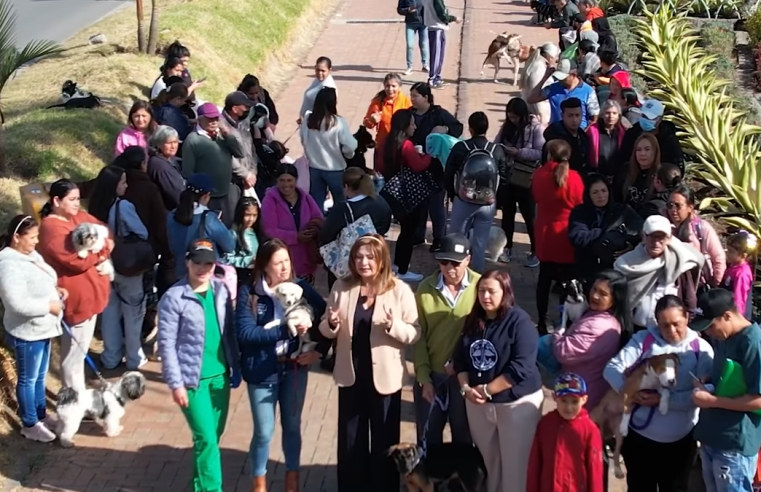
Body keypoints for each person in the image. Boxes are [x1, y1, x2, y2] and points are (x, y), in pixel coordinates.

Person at [319, 234, 421, 492]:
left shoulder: (398, 290)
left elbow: (414, 332)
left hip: (385, 380)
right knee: (351, 441)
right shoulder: (342, 287)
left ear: (381, 260)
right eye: (358, 257)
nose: (364, 262)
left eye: (370, 257)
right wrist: (331, 324)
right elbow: (325, 326)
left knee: (384, 443)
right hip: (351, 375)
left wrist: (393, 326)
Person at [236, 239, 327, 492]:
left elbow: (326, 317)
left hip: (294, 368)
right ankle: (259, 483)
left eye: (287, 261)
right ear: (265, 266)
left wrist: (319, 351)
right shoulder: (251, 293)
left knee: (292, 426)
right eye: (278, 263)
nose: (284, 267)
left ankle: (292, 482)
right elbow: (245, 333)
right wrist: (284, 333)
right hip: (262, 371)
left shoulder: (300, 287)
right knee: (264, 432)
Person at [605, 294, 714, 492]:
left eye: (676, 324)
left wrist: (663, 400)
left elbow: (701, 396)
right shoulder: (643, 341)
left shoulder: (701, 350)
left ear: (687, 319)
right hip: (639, 440)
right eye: (664, 325)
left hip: (680, 443)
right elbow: (612, 369)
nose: (671, 331)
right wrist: (628, 390)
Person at [157, 239, 241, 492]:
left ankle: (199, 485)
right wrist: (175, 383)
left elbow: (229, 332)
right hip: (192, 381)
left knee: (211, 438)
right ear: (187, 262)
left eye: (208, 262)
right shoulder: (173, 298)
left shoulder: (221, 290)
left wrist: (235, 365)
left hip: (220, 376)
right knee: (206, 439)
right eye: (197, 262)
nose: (203, 268)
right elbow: (167, 344)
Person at [453, 269, 543, 492]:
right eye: (481, 291)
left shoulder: (520, 323)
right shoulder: (472, 321)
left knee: (516, 466)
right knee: (488, 464)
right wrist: (466, 389)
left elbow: (520, 368)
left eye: (492, 291)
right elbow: (460, 361)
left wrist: (485, 390)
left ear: (505, 292)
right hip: (479, 405)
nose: (485, 297)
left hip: (516, 405)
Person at [37, 180, 112, 392]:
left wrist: (100, 250)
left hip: (91, 298)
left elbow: (106, 231)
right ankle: (72, 402)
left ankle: (77, 399)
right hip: (76, 303)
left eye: (78, 199)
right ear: (56, 201)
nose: (77, 204)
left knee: (79, 354)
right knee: (73, 358)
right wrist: (102, 251)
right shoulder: (52, 229)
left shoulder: (77, 217)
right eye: (72, 199)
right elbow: (78, 262)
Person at [690, 288, 761, 492]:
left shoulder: (753, 343)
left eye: (711, 326)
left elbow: (759, 400)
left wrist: (712, 402)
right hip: (712, 436)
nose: (708, 333)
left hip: (734, 444)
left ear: (727, 315)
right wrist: (709, 380)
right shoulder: (723, 337)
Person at [0, 215, 64, 442]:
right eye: (32, 237)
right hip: (27, 331)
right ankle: (29, 423)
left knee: (39, 377)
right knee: (28, 379)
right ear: (17, 237)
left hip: (43, 328)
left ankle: (40, 415)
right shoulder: (7, 265)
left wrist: (55, 291)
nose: (36, 242)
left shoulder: (30, 255)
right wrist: (49, 305)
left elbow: (43, 279)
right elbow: (16, 303)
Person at [414, 233, 478, 445]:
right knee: (427, 438)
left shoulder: (481, 287)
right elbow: (419, 336)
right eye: (444, 262)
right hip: (433, 376)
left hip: (467, 379)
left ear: (468, 260)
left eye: (456, 263)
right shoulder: (425, 289)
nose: (449, 268)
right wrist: (424, 378)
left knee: (465, 440)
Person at [538, 270, 631, 410]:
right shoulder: (601, 316)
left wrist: (558, 335)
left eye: (603, 294)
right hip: (581, 390)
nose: (594, 295)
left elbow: (563, 352)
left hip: (582, 398)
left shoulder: (598, 326)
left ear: (615, 299)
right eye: (594, 289)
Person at [87, 165, 150, 370]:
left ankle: (110, 356)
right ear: (114, 185)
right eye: (122, 181)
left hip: (104, 266)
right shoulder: (123, 206)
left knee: (110, 313)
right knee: (133, 313)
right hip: (127, 266)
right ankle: (134, 357)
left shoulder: (94, 207)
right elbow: (142, 232)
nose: (126, 185)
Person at [614, 214, 705, 331]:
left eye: (661, 237)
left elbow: (690, 300)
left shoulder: (680, 262)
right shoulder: (627, 264)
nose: (656, 242)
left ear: (669, 238)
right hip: (638, 330)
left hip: (671, 331)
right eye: (652, 236)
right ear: (644, 236)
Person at [444, 111, 508, 272]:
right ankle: (476, 275)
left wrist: (453, 195)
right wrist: (497, 202)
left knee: (457, 239)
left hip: (464, 200)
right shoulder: (496, 150)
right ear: (487, 129)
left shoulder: (461, 147)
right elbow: (505, 177)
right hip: (487, 203)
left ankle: (455, 271)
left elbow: (449, 173)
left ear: (470, 129)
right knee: (480, 242)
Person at [533, 139, 585, 333]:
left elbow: (537, 198)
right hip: (566, 235)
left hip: (545, 233)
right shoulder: (575, 178)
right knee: (568, 281)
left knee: (544, 280)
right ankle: (563, 319)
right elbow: (580, 203)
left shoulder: (539, 175)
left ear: (548, 155)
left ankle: (542, 320)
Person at [526, 373, 604, 492]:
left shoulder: (590, 430)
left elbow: (595, 470)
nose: (568, 407)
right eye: (564, 400)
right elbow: (535, 462)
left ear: (584, 400)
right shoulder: (546, 424)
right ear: (554, 397)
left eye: (574, 401)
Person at [408, 82, 462, 251]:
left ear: (426, 97)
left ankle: (439, 238)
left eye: (415, 96)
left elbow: (458, 127)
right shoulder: (409, 114)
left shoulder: (439, 114)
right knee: (418, 202)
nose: (412, 99)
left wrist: (445, 128)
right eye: (411, 96)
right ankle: (418, 234)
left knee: (436, 204)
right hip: (415, 164)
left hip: (436, 167)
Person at [319, 167, 393, 288]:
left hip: (348, 262)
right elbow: (385, 226)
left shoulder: (342, 209)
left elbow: (326, 235)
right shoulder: (381, 202)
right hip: (374, 257)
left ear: (346, 186)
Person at [382, 108, 433, 282]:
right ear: (405, 126)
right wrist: (427, 156)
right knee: (409, 232)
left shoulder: (387, 142)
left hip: (393, 191)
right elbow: (418, 166)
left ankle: (397, 265)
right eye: (412, 123)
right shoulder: (406, 145)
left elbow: (379, 165)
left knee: (404, 229)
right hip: (409, 194)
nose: (415, 126)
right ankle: (403, 269)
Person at [494, 97, 545, 266]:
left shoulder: (536, 128)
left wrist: (519, 152)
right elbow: (496, 143)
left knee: (529, 216)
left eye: (515, 117)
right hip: (508, 176)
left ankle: (535, 250)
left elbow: (540, 152)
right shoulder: (507, 127)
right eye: (510, 117)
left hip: (526, 177)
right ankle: (507, 247)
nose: (512, 120)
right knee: (507, 214)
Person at [568, 173, 642, 280]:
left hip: (617, 269)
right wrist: (602, 232)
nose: (601, 196)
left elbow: (641, 231)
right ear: (588, 195)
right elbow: (578, 237)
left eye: (604, 191)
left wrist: (629, 245)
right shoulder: (580, 212)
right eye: (595, 192)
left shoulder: (622, 211)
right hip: (589, 270)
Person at [182, 102, 244, 228]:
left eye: (216, 118)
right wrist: (199, 197)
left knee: (231, 228)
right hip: (208, 198)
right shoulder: (192, 140)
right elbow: (188, 172)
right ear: (200, 119)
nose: (214, 121)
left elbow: (239, 153)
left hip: (227, 193)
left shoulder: (222, 136)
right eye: (210, 118)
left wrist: (228, 136)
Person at [260, 164, 324, 285]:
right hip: (282, 262)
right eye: (282, 181)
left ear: (296, 180)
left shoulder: (305, 197)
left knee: (306, 298)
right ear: (276, 181)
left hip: (305, 260)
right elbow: (269, 230)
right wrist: (296, 237)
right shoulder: (269, 200)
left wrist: (312, 230)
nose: (286, 185)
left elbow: (318, 217)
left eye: (289, 180)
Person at [167, 173, 236, 278]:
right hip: (204, 276)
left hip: (179, 275)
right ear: (205, 196)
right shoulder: (209, 218)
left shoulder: (171, 216)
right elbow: (229, 246)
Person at [300, 87, 357, 210]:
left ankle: (317, 227)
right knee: (341, 205)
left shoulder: (308, 120)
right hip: (335, 169)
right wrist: (348, 155)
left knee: (316, 205)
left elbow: (303, 140)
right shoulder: (339, 122)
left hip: (314, 168)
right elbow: (351, 145)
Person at [668, 184, 726, 290]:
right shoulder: (664, 228)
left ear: (690, 207)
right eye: (670, 205)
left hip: (699, 288)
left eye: (678, 205)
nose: (673, 210)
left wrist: (715, 285)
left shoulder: (701, 228)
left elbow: (718, 258)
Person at [529, 58, 600, 131]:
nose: (560, 80)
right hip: (556, 134)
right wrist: (545, 77)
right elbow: (531, 99)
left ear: (574, 74)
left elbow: (594, 118)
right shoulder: (553, 88)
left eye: (563, 77)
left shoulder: (588, 91)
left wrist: (583, 135)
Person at [619, 98, 684, 173]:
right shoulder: (632, 133)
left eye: (650, 118)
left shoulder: (669, 140)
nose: (645, 119)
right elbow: (622, 159)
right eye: (643, 116)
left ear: (660, 119)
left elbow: (677, 167)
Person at [363, 73, 412, 172]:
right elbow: (366, 122)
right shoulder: (378, 102)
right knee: (380, 179)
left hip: (400, 147)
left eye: (393, 86)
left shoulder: (406, 102)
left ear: (400, 87)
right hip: (382, 147)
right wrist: (372, 120)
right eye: (387, 86)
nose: (390, 89)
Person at [218, 91, 257, 195]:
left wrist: (253, 171)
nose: (248, 110)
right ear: (235, 109)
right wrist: (245, 174)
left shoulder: (242, 123)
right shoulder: (222, 127)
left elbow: (251, 148)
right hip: (233, 182)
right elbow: (226, 156)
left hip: (249, 178)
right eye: (245, 107)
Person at [613, 133, 661, 210]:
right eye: (638, 150)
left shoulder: (660, 174)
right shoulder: (626, 170)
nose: (642, 154)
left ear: (655, 151)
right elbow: (616, 196)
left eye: (647, 149)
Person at [542, 97, 589, 175]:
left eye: (577, 115)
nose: (574, 120)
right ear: (562, 115)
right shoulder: (554, 138)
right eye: (570, 116)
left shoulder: (583, 136)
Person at [224, 196, 263, 288]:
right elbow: (226, 259)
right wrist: (248, 260)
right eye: (247, 215)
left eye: (254, 215)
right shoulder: (233, 234)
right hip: (241, 278)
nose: (251, 219)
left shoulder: (256, 231)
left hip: (257, 276)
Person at [420, 0, 459, 89]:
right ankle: (432, 79)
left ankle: (437, 77)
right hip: (436, 27)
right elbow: (442, 14)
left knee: (439, 55)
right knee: (436, 55)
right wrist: (453, 18)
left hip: (433, 26)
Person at [520, 43, 562, 124]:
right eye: (555, 57)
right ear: (550, 57)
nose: (556, 60)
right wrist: (541, 116)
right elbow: (535, 90)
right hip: (538, 114)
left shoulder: (538, 64)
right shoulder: (538, 68)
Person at [586, 100, 627, 181]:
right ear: (602, 115)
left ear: (619, 116)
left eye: (614, 113)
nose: (611, 116)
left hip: (617, 176)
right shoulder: (592, 131)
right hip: (597, 175)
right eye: (607, 113)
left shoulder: (622, 132)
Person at [147, 125, 185, 211]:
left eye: (175, 142)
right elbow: (176, 195)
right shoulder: (161, 166)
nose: (173, 146)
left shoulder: (169, 160)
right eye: (169, 143)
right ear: (159, 144)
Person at [722, 231, 755, 319]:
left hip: (735, 316)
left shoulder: (741, 274)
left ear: (743, 255)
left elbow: (739, 298)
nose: (727, 253)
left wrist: (736, 317)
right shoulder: (734, 267)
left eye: (731, 252)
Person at [298, 56, 336, 121]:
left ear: (330, 70)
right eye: (318, 70)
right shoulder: (318, 80)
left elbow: (325, 112)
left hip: (315, 124)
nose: (320, 73)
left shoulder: (328, 88)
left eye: (323, 71)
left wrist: (307, 119)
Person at [397, 0, 429, 75]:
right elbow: (399, 10)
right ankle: (409, 66)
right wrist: (407, 10)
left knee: (423, 44)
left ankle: (425, 64)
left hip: (423, 23)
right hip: (410, 23)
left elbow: (430, 7)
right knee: (410, 45)